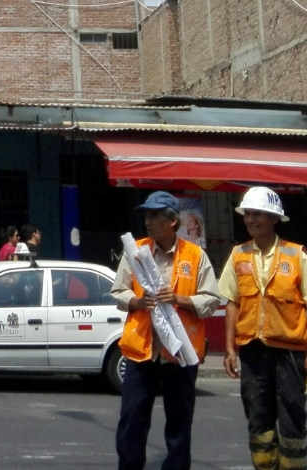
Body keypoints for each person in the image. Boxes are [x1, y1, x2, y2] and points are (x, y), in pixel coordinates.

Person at [111, 191, 221, 470]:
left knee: (179, 424)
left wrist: (180, 299)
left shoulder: (195, 256)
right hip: (142, 352)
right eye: (146, 215)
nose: (148, 221)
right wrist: (136, 301)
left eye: (155, 215)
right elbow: (118, 291)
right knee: (132, 420)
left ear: (173, 221)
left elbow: (211, 299)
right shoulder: (136, 251)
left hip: (180, 355)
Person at [220, 187, 307, 470]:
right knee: (258, 418)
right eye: (248, 214)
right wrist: (230, 349)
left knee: (292, 418)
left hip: (289, 352)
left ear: (274, 219)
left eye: (258, 214)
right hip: (253, 350)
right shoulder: (238, 255)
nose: (251, 219)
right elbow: (232, 303)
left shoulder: (296, 255)